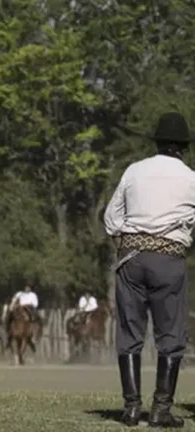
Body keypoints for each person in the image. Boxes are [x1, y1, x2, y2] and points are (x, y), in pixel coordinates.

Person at [103, 112, 195, 428]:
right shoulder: (190, 178)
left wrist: (130, 239)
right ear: (184, 147)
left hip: (131, 259)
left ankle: (130, 409)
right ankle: (160, 410)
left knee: (130, 334)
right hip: (168, 260)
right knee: (171, 336)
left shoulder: (134, 171)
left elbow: (111, 218)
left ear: (156, 143)